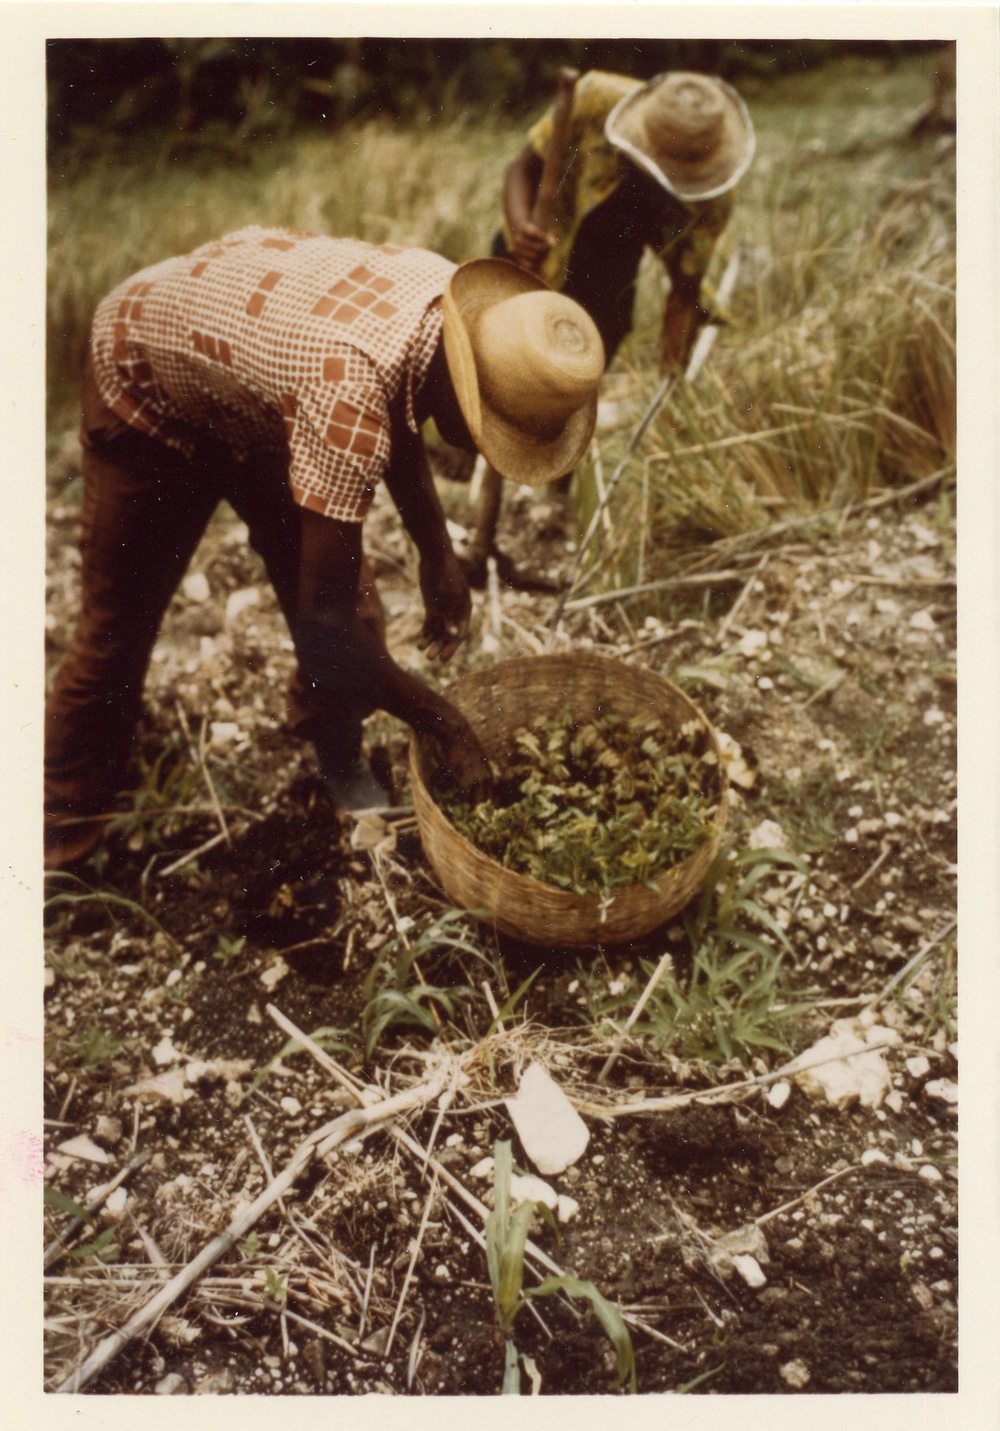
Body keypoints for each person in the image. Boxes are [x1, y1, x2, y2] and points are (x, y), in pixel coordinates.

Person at [44, 226, 605, 871]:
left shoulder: (447, 315)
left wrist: (435, 552)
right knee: (115, 637)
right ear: (461, 375)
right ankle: (58, 840)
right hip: (146, 384)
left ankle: (336, 751)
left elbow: (399, 404)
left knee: (357, 611)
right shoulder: (351, 397)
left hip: (264, 391)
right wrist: (442, 721)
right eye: (487, 430)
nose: (481, 450)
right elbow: (325, 625)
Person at [461, 69, 755, 583]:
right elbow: (520, 169)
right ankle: (477, 511)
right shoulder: (592, 98)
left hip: (610, 266)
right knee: (501, 375)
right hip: (537, 243)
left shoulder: (712, 198)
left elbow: (684, 291)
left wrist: (672, 385)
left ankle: (552, 497)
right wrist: (525, 224)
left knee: (573, 382)